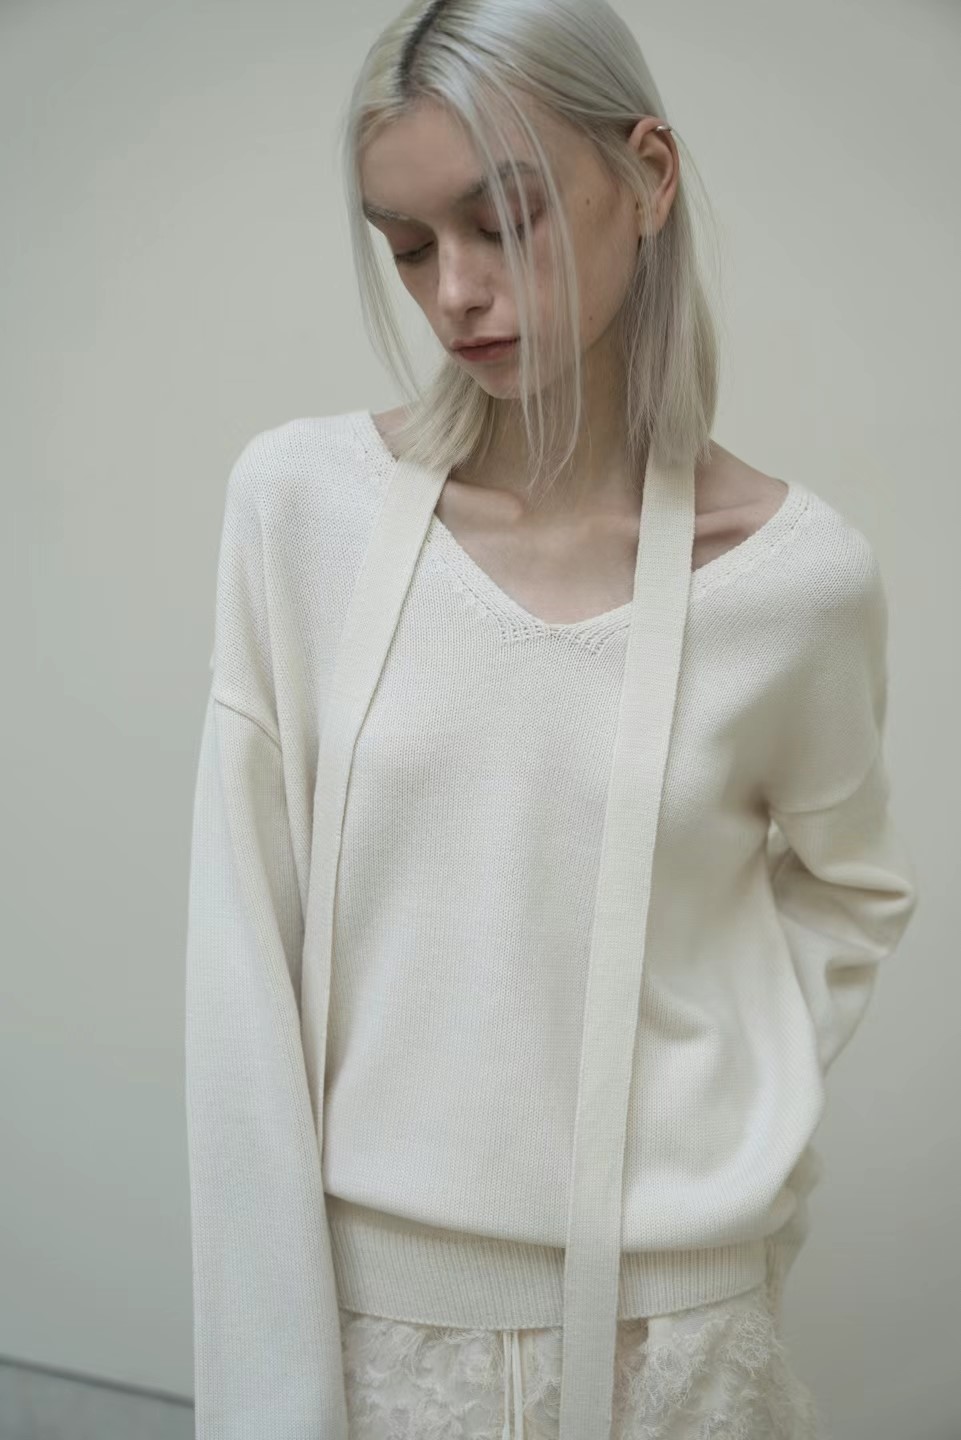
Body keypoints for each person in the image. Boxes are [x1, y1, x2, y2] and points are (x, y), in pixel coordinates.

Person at [184, 1, 920, 1437]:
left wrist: (716, 1099)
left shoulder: (798, 581)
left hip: (684, 1335)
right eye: (408, 247)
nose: (456, 291)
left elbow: (853, 891)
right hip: (380, 1328)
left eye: (503, 219)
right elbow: (241, 952)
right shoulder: (299, 508)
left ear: (647, 177)